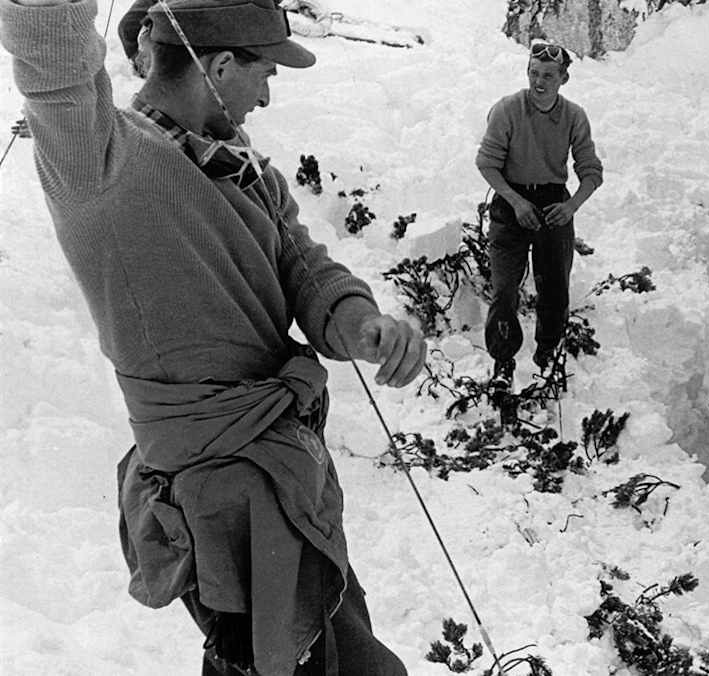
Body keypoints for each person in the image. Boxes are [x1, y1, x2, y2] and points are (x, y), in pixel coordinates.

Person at [0, 0, 426, 673]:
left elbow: (304, 267)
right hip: (219, 492)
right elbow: (52, 61)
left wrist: (359, 324)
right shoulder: (102, 161)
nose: (266, 91)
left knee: (346, 656)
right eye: (265, 73)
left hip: (283, 470)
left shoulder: (245, 168)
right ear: (220, 65)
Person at [475, 42, 603, 389]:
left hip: (553, 204)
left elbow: (591, 171)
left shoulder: (574, 116)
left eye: (548, 75)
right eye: (533, 73)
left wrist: (570, 206)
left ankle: (549, 355)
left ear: (563, 78)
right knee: (504, 290)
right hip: (509, 200)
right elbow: (486, 162)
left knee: (555, 287)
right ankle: (503, 362)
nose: (539, 81)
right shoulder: (507, 110)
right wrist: (516, 203)